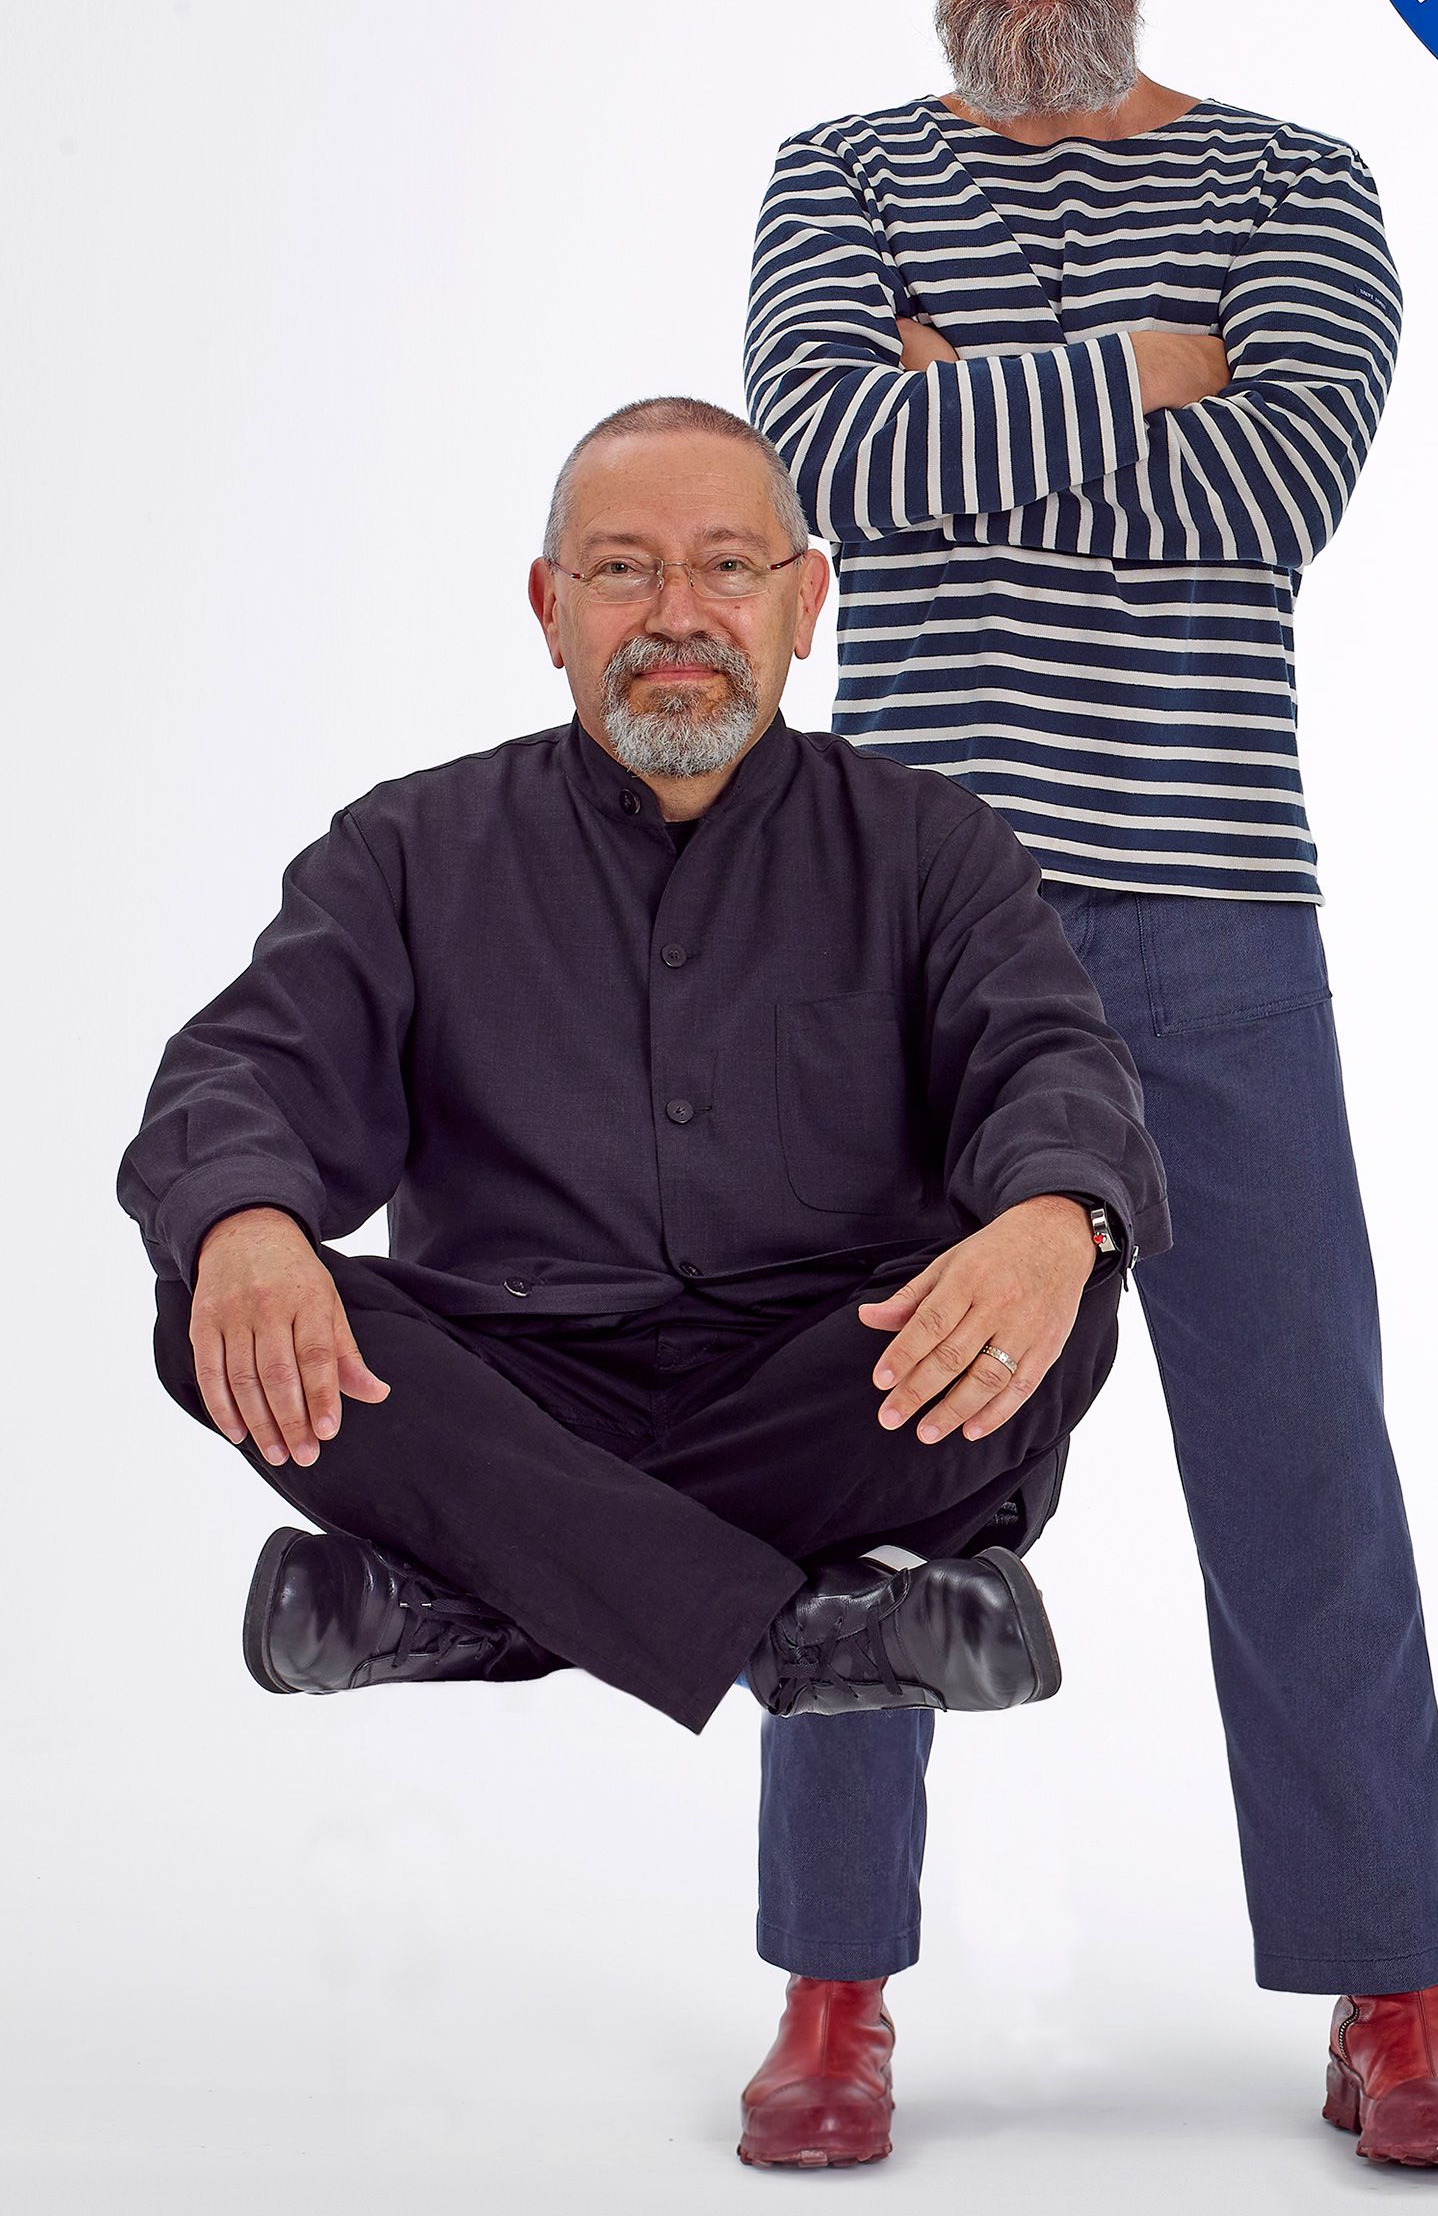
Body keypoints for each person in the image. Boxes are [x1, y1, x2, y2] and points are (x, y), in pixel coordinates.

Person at [738, 0, 1438, 2175]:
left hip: (1208, 911)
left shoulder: (1295, 185)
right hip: (905, 935)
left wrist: (976, 396)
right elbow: (827, 472)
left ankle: (1392, 1991)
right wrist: (1139, 370)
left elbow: (1269, 495)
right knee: (865, 1457)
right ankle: (832, 1996)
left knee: (1297, 1457)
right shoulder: (837, 178)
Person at [120, 397, 1166, 1746]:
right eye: (623, 568)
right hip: (505, 1387)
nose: (678, 613)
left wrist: (1056, 1215)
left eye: (727, 565)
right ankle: (807, 1629)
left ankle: (479, 1601)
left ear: (805, 601)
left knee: (1064, 1287)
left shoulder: (933, 844)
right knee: (209, 1290)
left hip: (828, 1383)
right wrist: (246, 1225)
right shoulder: (404, 848)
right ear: (550, 609)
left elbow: (1048, 1057)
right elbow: (245, 1071)